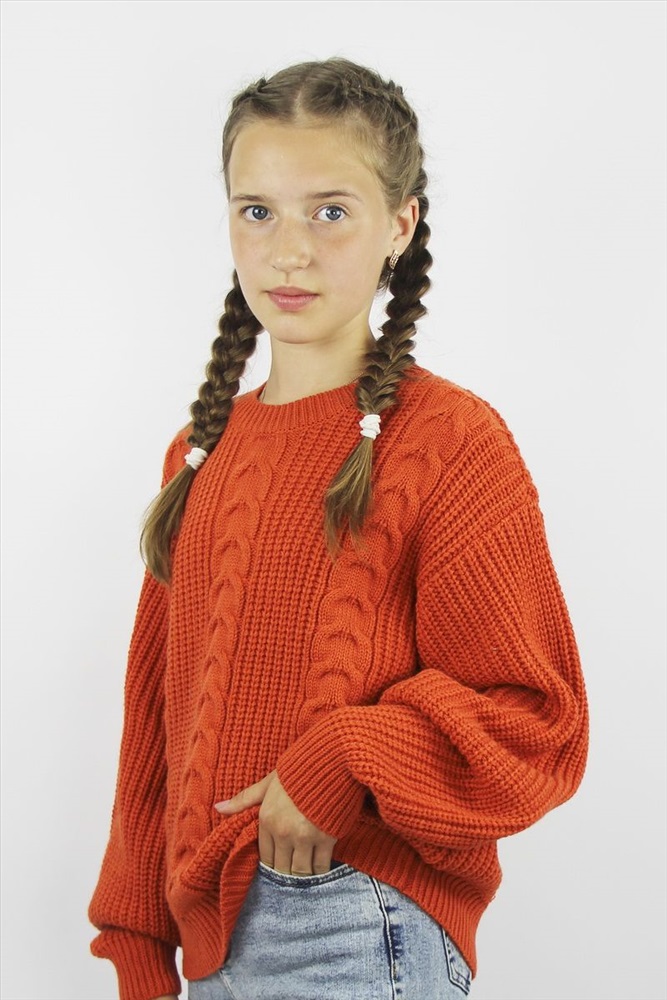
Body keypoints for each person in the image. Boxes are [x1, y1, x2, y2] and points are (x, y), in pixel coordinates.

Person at [88, 57, 589, 1000]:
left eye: (329, 211)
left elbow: (536, 719)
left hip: (352, 920)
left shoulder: (447, 440)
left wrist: (344, 756)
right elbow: (154, 721)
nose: (288, 251)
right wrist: (136, 942)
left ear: (399, 224)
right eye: (257, 211)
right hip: (208, 943)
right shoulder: (199, 451)